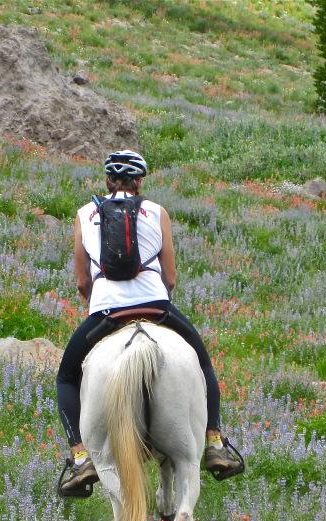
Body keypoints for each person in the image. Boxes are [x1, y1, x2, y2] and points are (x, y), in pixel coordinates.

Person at [55, 149, 244, 497]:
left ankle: (81, 457)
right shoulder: (158, 212)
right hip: (157, 307)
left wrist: (99, 303)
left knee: (66, 377)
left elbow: (83, 283)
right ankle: (214, 441)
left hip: (106, 313)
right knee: (202, 363)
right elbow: (170, 278)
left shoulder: (85, 214)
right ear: (140, 181)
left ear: (107, 180)